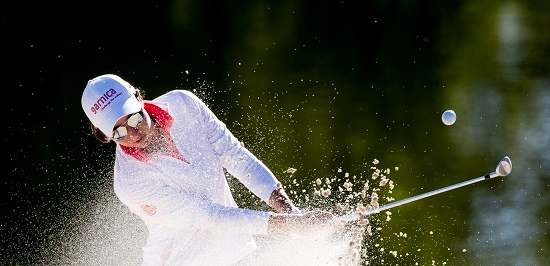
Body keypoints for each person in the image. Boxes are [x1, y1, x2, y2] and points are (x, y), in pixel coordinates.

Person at [81, 74, 336, 265]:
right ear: (103, 134)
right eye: (119, 131)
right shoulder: (129, 183)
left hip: (237, 253)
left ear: (138, 98)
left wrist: (291, 212)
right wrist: (292, 225)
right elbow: (208, 216)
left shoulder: (184, 104)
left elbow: (236, 157)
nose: (134, 133)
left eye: (135, 118)